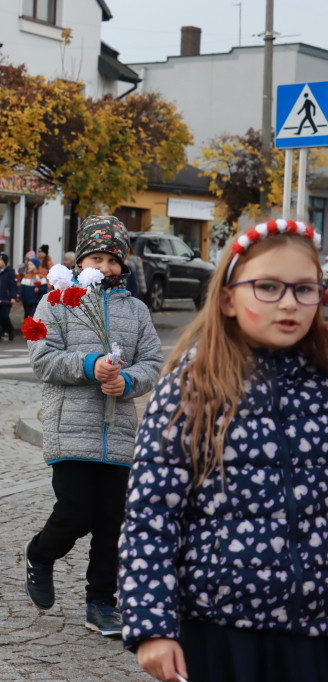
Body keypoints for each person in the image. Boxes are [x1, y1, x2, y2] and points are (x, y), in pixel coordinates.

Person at [120, 219, 328, 682]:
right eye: (269, 287)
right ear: (230, 297)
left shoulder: (323, 386)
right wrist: (152, 626)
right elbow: (152, 516)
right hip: (219, 631)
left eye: (305, 289)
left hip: (314, 631)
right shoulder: (194, 388)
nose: (290, 302)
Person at [24, 216, 163, 637]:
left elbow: (152, 362)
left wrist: (128, 381)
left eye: (111, 260)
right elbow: (43, 359)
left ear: (123, 264)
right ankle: (41, 553)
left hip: (119, 433)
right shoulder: (57, 302)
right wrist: (89, 365)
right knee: (75, 512)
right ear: (81, 259)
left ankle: (101, 602)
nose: (104, 267)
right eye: (95, 258)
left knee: (112, 524)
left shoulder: (137, 311)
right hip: (71, 430)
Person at [0, 253, 17, 342]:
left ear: (4, 261)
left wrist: (13, 297)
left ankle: (9, 329)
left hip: (6, 298)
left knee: (4, 316)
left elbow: (13, 286)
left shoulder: (10, 272)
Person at [18, 256, 46, 321]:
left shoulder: (40, 276)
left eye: (31, 264)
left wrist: (39, 289)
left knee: (33, 316)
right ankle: (27, 329)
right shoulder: (26, 276)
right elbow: (22, 287)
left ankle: (33, 329)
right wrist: (19, 294)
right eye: (28, 265)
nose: (29, 266)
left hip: (35, 301)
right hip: (26, 301)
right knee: (27, 316)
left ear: (36, 265)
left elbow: (45, 288)